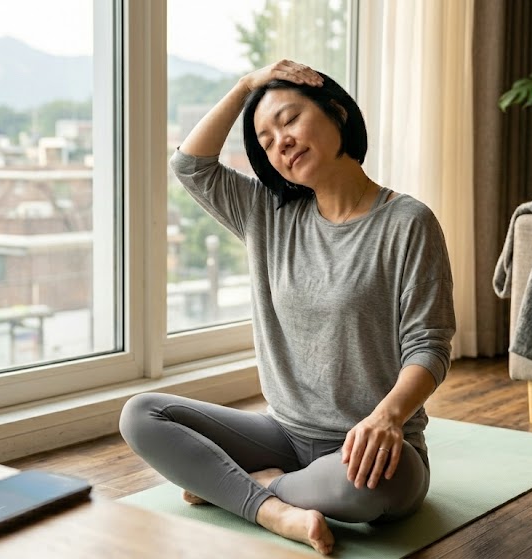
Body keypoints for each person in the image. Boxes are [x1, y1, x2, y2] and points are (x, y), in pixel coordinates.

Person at [119, 60, 456, 555]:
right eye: (266, 139)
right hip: (283, 434)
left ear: (337, 114)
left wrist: (387, 417)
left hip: (369, 449)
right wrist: (246, 86)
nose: (281, 142)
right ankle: (273, 507)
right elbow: (190, 165)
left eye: (290, 120)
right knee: (141, 414)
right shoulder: (267, 215)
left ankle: (239, 489)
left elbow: (428, 345)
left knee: (376, 484)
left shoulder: (407, 222)